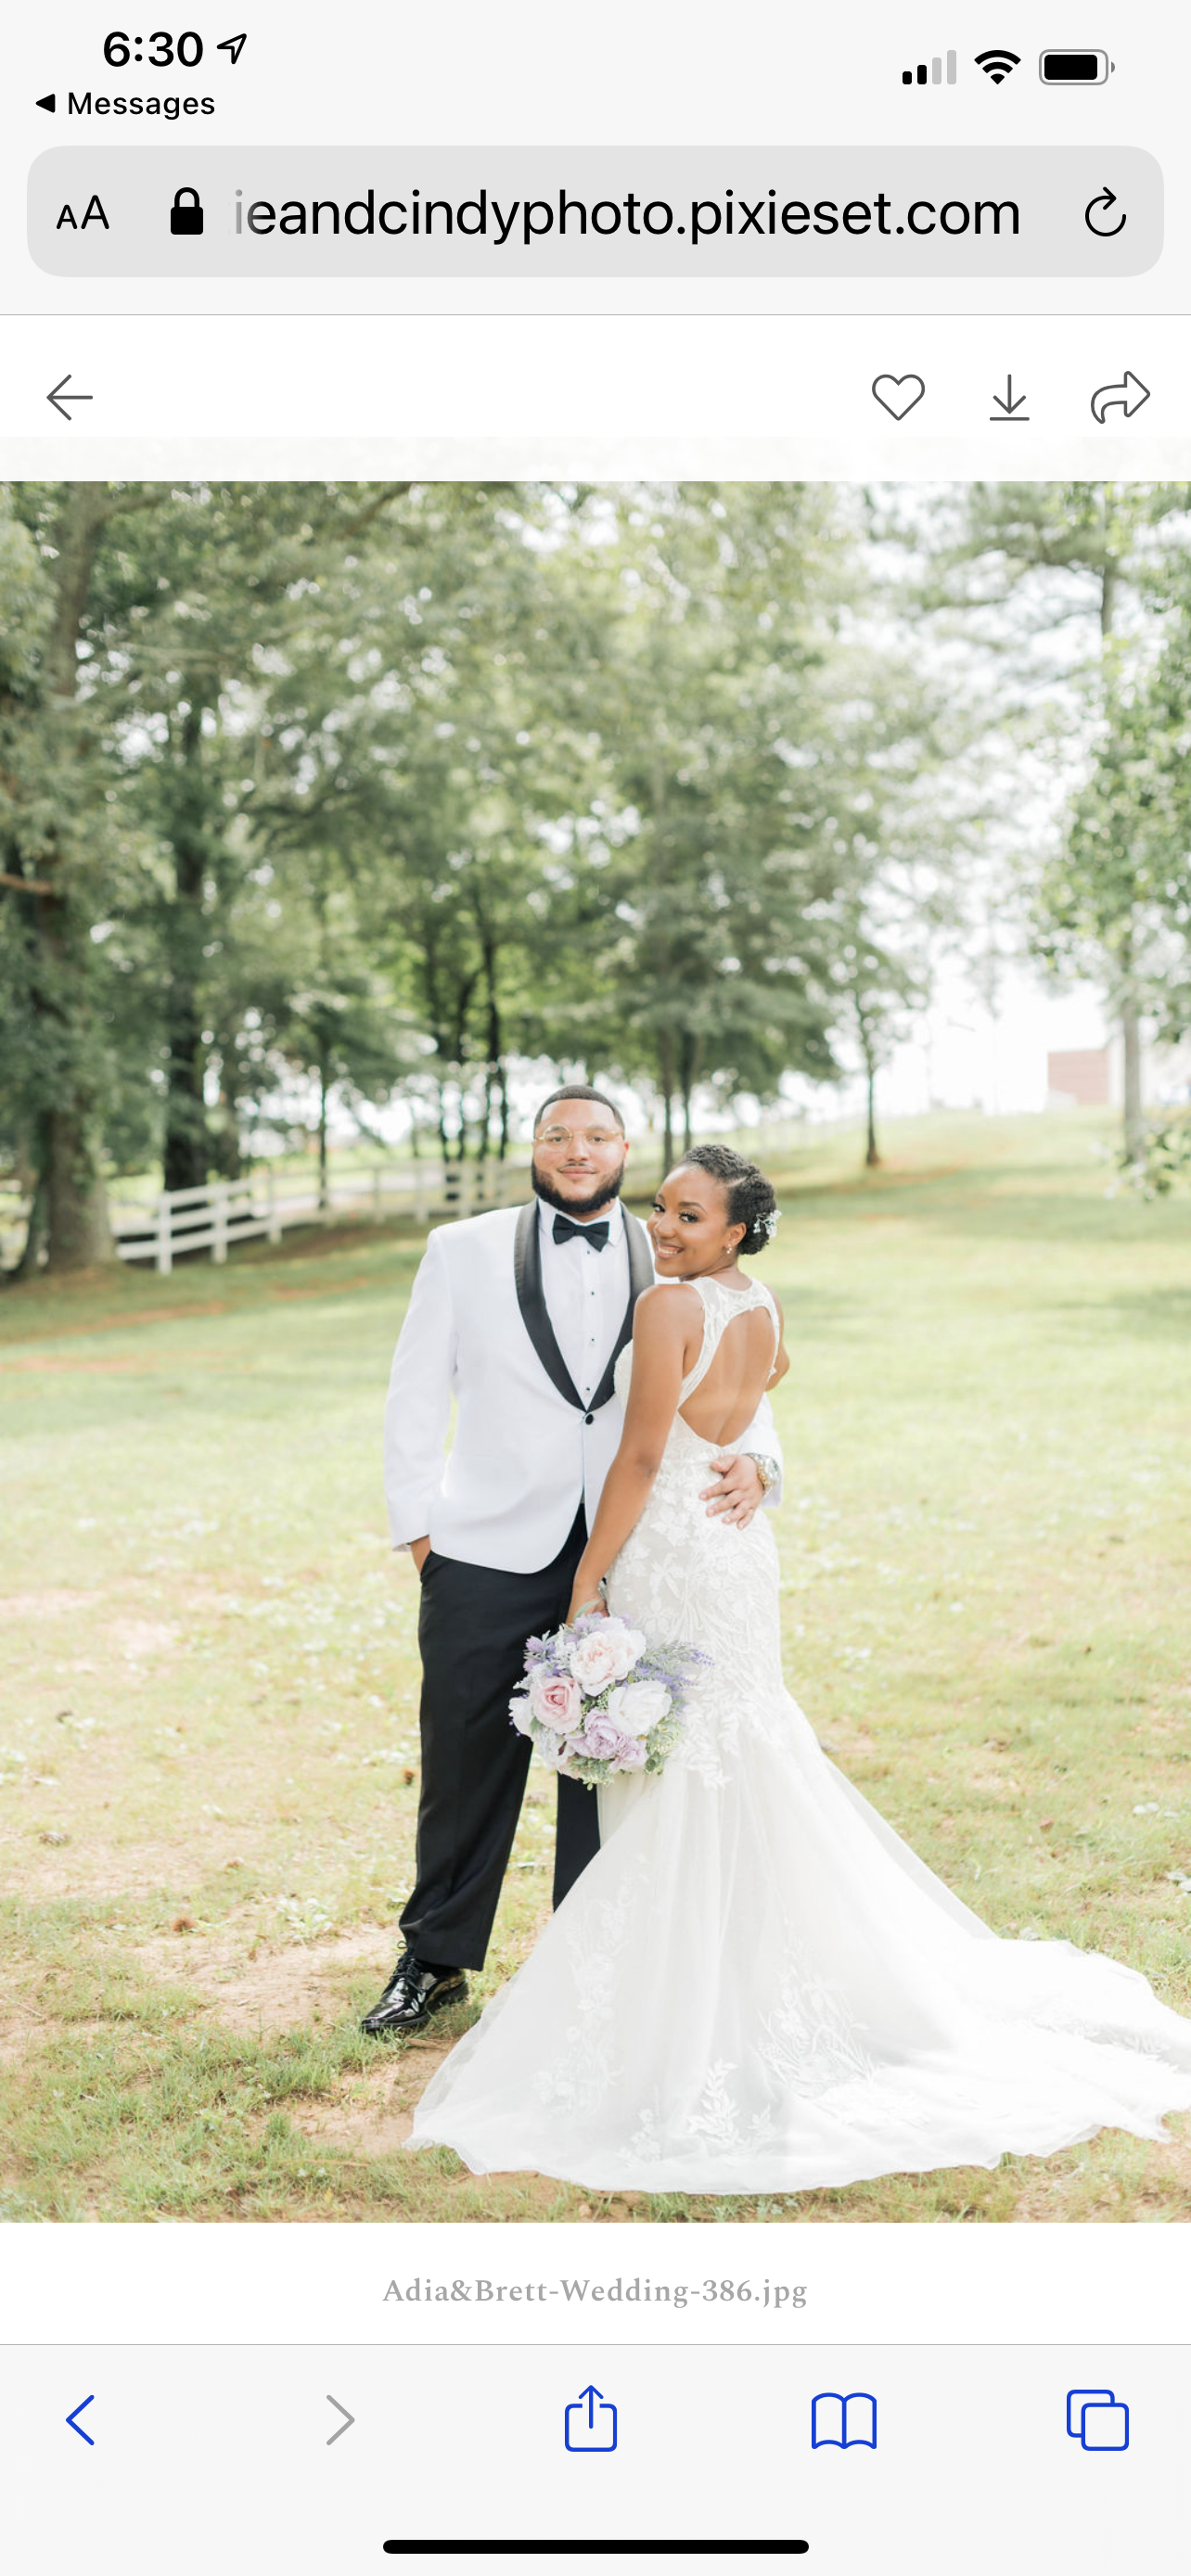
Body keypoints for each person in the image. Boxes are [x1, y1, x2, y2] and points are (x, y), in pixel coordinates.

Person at [407, 1141, 1191, 2192]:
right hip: (735, 1555)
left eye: (690, 1216)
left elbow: (642, 1456)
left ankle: (692, 1996)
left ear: (737, 1229)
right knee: (738, 1744)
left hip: (672, 1553)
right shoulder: (763, 1304)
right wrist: (748, 1460)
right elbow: (760, 1390)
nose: (663, 1227)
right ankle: (747, 1967)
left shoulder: (666, 1308)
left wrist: (589, 1579)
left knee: (687, 1764)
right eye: (662, 1208)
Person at [361, 1090, 783, 2036]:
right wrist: (421, 1533)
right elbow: (414, 1394)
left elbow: (745, 1379)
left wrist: (763, 1464)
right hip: (485, 1545)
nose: (577, 1150)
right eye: (558, 1135)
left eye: (596, 1136)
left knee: (616, 1761)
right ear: (535, 1147)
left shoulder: (673, 1249)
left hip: (630, 1552)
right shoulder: (460, 1250)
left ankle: (592, 1967)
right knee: (464, 1756)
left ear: (625, 1149)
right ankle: (434, 1960)